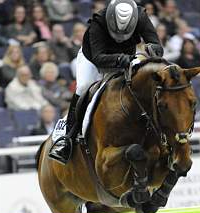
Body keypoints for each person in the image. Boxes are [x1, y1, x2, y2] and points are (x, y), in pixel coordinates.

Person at [48, 0, 163, 164]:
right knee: (83, 86)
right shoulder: (98, 22)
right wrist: (122, 59)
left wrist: (153, 49)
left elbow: (156, 45)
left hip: (126, 58)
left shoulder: (141, 17)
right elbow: (98, 58)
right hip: (93, 60)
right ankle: (67, 139)